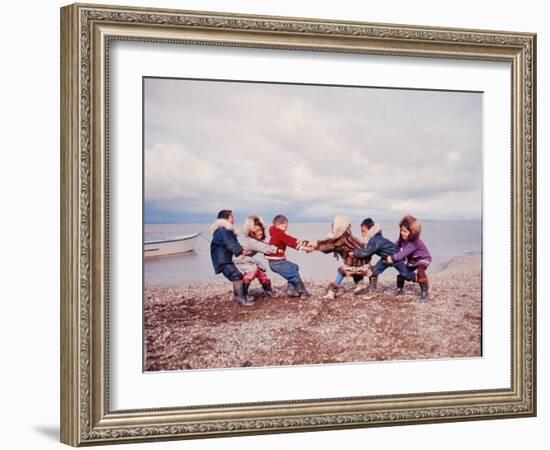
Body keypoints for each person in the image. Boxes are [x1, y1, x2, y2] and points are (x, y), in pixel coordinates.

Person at [309, 214, 371, 299]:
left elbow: (327, 247)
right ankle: (360, 285)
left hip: (355, 260)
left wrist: (314, 247)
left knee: (342, 272)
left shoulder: (339, 239)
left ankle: (332, 292)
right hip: (363, 261)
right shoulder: (347, 236)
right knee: (355, 270)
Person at [351, 218, 412, 294]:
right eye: (361, 232)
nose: (362, 234)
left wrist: (354, 252)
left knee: (406, 275)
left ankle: (421, 280)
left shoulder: (375, 240)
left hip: (395, 257)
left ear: (370, 230)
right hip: (385, 258)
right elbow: (368, 250)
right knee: (374, 271)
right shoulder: (373, 238)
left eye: (364, 231)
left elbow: (367, 252)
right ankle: (373, 291)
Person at [209, 210, 253, 306]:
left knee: (238, 276)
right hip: (222, 260)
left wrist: (242, 249)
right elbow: (230, 243)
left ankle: (242, 296)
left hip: (224, 259)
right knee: (236, 276)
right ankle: (240, 299)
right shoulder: (222, 230)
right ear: (227, 218)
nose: (234, 219)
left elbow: (234, 243)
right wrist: (241, 251)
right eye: (232, 217)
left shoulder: (224, 230)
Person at [386, 215, 432, 300]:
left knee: (420, 272)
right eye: (401, 231)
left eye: (405, 231)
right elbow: (395, 246)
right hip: (412, 261)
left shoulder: (414, 243)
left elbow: (403, 253)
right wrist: (387, 250)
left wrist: (392, 258)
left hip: (423, 259)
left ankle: (425, 291)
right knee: (403, 273)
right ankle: (399, 289)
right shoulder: (402, 240)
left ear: (413, 233)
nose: (402, 233)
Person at [266, 214, 312, 298]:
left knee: (294, 267)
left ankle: (291, 290)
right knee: (294, 275)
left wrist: (301, 243)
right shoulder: (279, 233)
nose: (287, 227)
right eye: (286, 225)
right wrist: (304, 248)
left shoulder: (277, 233)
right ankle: (303, 292)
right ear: (280, 224)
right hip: (277, 262)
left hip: (278, 261)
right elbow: (290, 241)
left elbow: (289, 239)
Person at [234, 215, 278, 299]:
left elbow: (264, 244)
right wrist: (278, 250)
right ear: (251, 232)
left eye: (261, 230)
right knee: (252, 271)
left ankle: (268, 291)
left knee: (261, 273)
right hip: (241, 259)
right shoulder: (251, 242)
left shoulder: (255, 241)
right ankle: (243, 293)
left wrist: (273, 245)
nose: (260, 232)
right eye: (258, 230)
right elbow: (265, 248)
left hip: (247, 259)